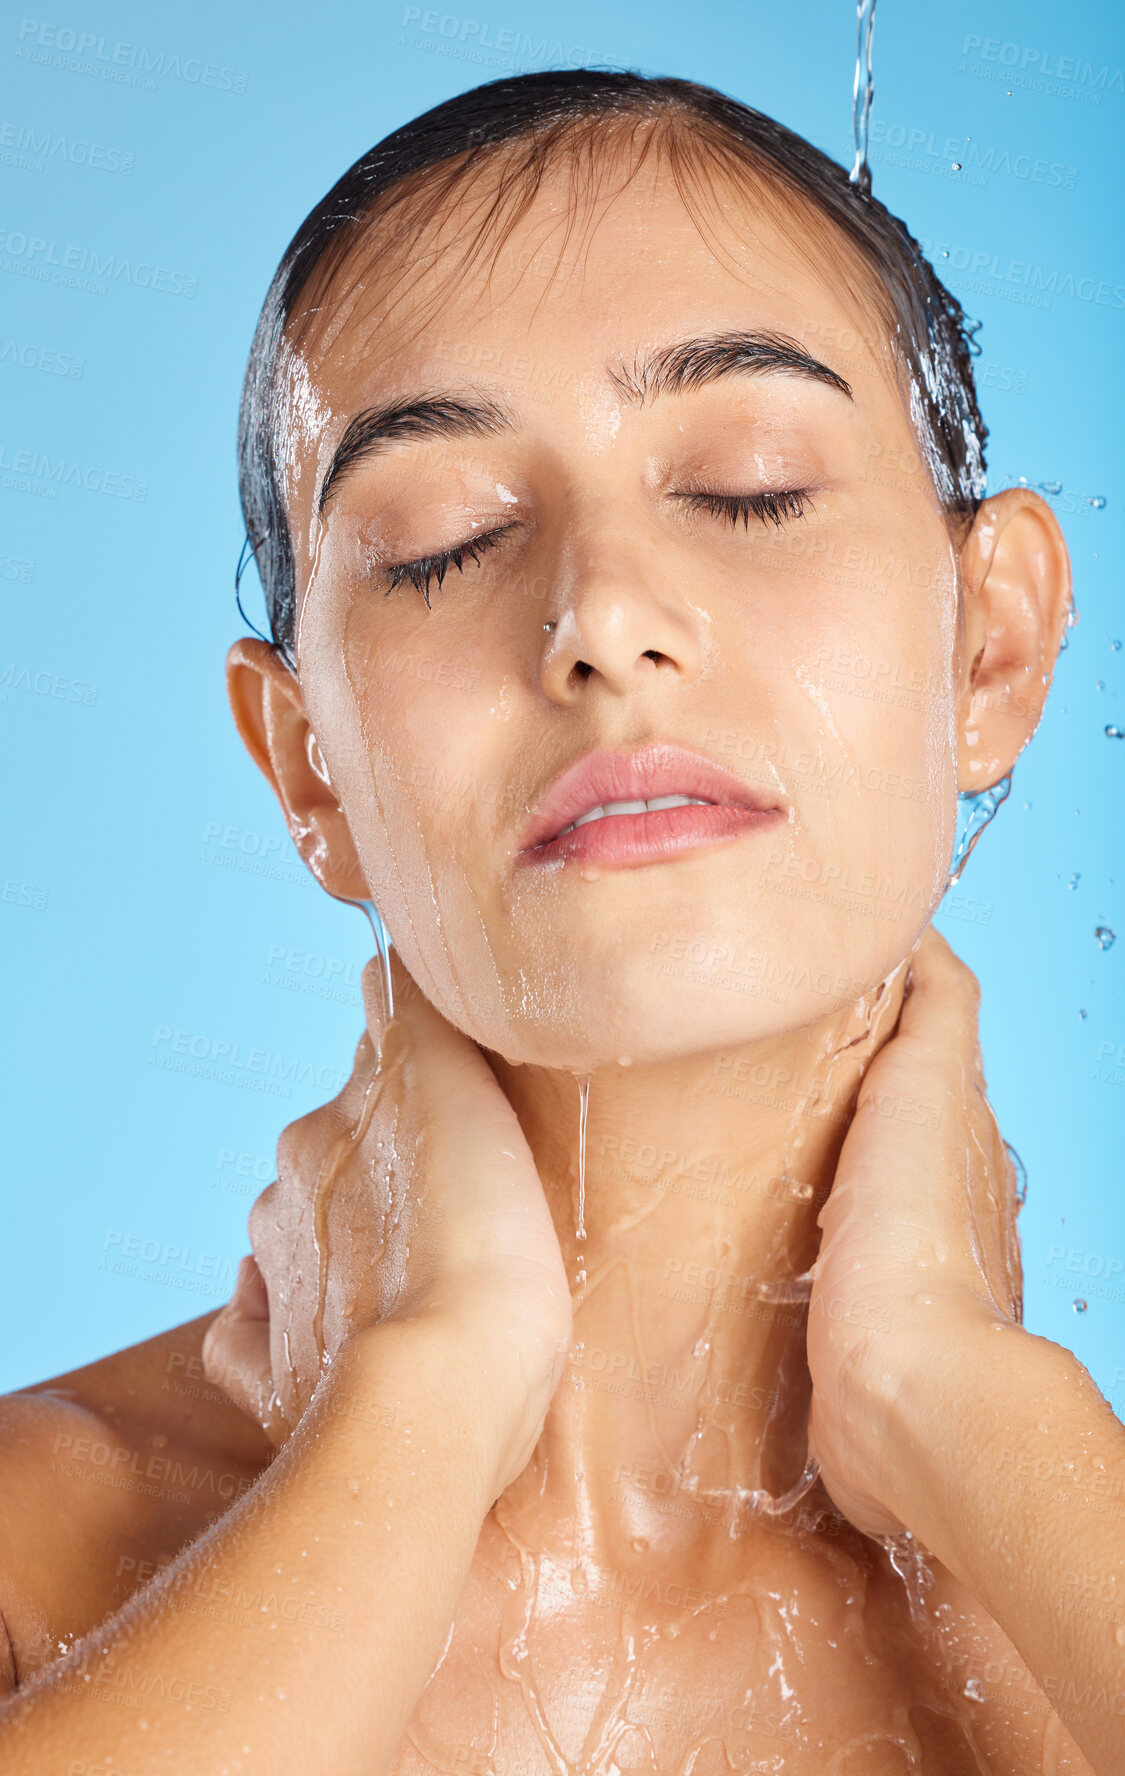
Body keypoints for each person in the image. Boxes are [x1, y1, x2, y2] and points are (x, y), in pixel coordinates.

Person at [0, 68, 1119, 1775]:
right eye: (445, 540)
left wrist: (976, 1413)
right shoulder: (38, 1550)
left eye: (746, 487)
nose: (597, 615)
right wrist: (423, 1410)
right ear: (307, 766)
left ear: (990, 647)